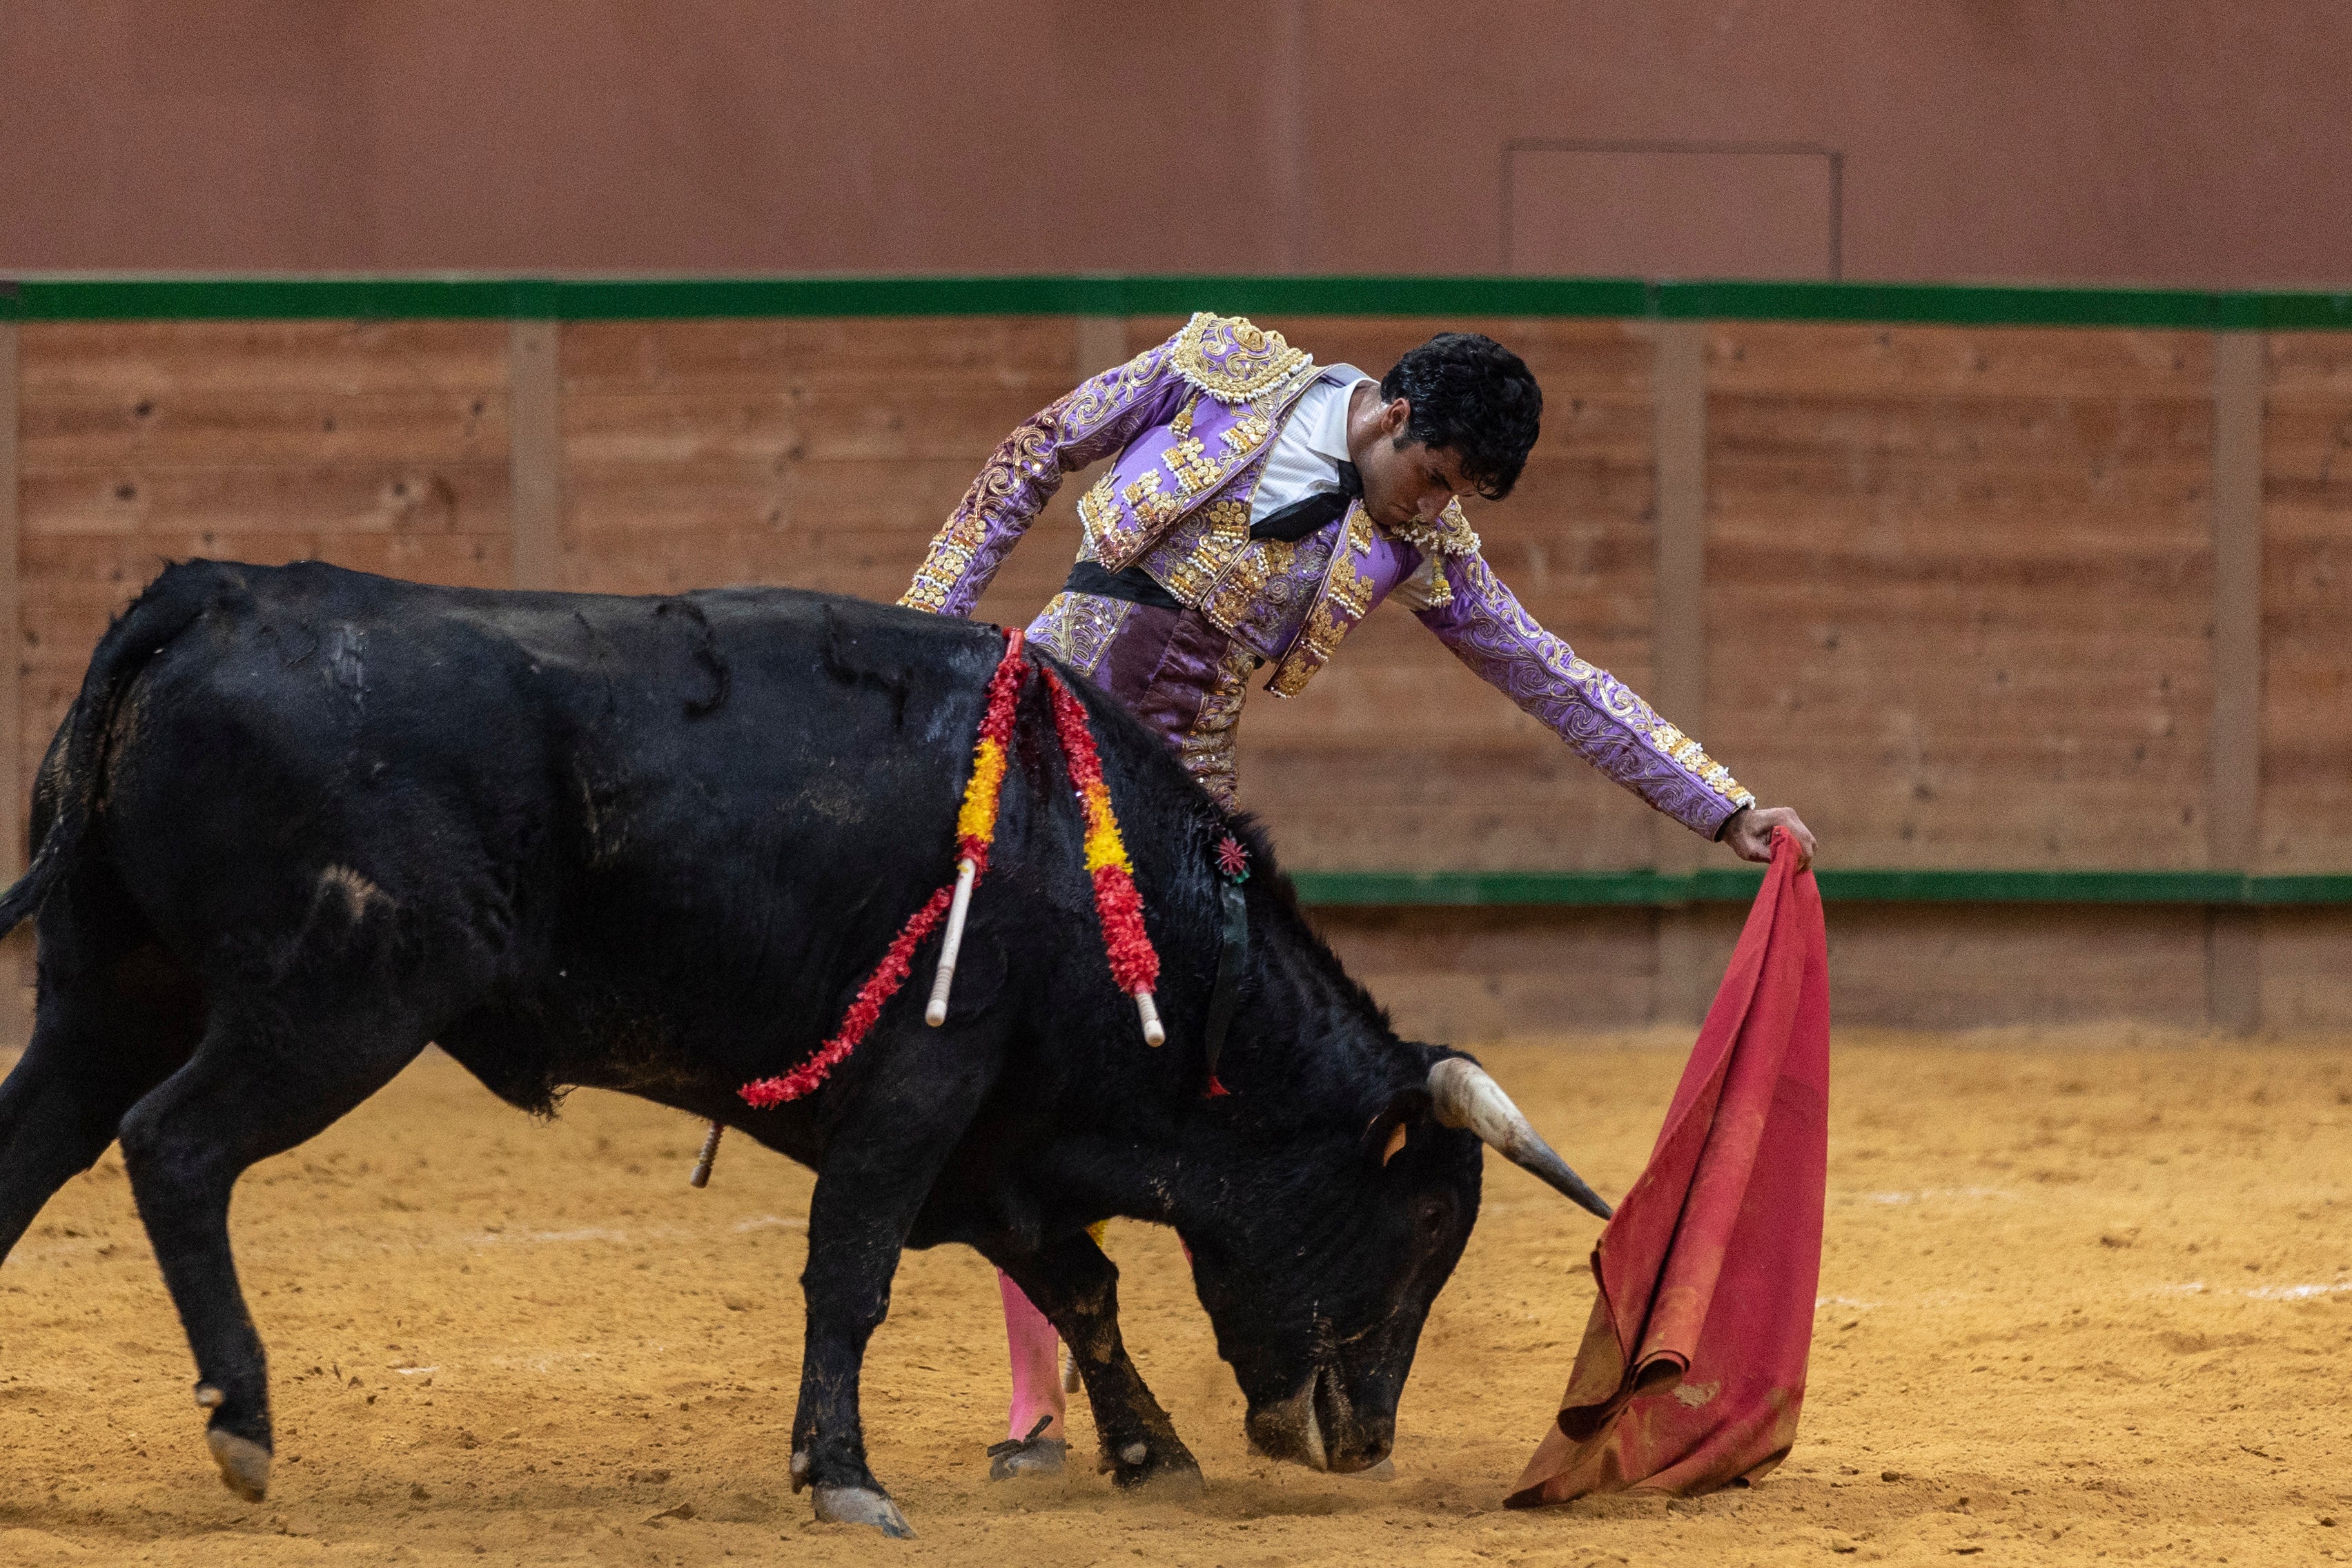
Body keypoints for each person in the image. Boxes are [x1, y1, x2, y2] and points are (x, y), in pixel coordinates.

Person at [901, 313, 1816, 1477]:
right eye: (1430, 479)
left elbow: (1552, 674)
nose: (1431, 512)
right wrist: (924, 632)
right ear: (1391, 412)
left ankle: (1272, 1373)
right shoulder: (1217, 372)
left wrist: (1724, 808)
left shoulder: (1424, 547)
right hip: (1038, 751)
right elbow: (1035, 449)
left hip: (1184, 821)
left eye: (1457, 497)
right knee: (1016, 1059)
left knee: (1216, 1084)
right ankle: (1039, 1410)